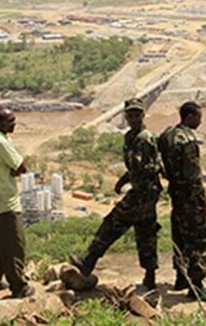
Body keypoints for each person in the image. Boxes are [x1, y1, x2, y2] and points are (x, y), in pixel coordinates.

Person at [71, 98, 162, 289]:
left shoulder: (143, 138)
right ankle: (150, 277)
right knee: (146, 233)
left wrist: (130, 181)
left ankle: (88, 262)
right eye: (130, 115)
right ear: (126, 117)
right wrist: (123, 180)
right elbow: (135, 167)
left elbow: (146, 168)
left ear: (143, 116)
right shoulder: (131, 137)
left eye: (137, 115)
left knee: (111, 224)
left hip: (143, 194)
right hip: (145, 193)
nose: (134, 118)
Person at [158, 101, 206, 303]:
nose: (200, 121)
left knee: (179, 236)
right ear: (190, 117)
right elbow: (193, 177)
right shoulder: (188, 140)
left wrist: (167, 173)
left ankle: (181, 278)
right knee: (198, 240)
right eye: (199, 117)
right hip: (190, 199)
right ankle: (197, 287)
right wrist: (203, 203)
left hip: (175, 195)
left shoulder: (167, 135)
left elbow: (157, 157)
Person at [0, 107, 34, 298]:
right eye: (10, 121)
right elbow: (21, 166)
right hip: (7, 202)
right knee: (14, 245)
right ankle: (19, 287)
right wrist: (15, 171)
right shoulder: (1, 143)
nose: (14, 123)